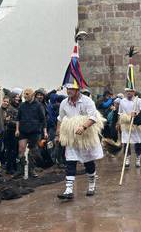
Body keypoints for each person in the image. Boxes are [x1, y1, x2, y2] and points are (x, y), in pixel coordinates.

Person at [57, 41, 103, 199]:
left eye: (71, 89)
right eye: (67, 88)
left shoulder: (87, 101)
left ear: (78, 89)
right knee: (70, 162)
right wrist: (58, 134)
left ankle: (91, 184)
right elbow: (60, 119)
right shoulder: (64, 102)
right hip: (71, 137)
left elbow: (93, 117)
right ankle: (68, 190)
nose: (69, 91)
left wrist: (83, 127)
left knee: (88, 163)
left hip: (85, 137)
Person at [15, 88, 48, 178]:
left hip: (35, 131)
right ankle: (20, 170)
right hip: (23, 131)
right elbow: (18, 118)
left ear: (32, 95)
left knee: (32, 151)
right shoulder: (22, 105)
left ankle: (31, 170)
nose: (25, 96)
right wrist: (17, 129)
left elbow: (43, 119)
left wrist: (45, 132)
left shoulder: (38, 106)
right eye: (24, 94)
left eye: (27, 94)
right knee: (21, 149)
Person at [118, 88, 141, 167]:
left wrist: (136, 115)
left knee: (138, 142)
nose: (129, 93)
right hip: (126, 124)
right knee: (126, 142)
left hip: (137, 125)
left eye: (130, 91)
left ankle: (138, 158)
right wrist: (126, 118)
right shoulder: (122, 101)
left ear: (134, 92)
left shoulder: (139, 101)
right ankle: (127, 158)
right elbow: (120, 113)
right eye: (127, 91)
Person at [4, 93, 21, 174]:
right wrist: (19, 123)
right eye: (16, 98)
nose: (17, 100)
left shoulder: (17, 107)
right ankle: (10, 168)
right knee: (11, 151)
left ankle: (13, 167)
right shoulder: (10, 108)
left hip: (15, 132)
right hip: (10, 132)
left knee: (15, 150)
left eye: (18, 98)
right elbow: (9, 122)